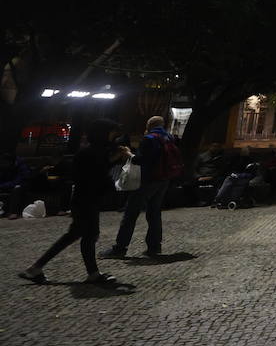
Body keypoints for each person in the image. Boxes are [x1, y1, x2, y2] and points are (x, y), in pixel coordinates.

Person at [20, 119, 130, 286]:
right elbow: (97, 174)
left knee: (80, 235)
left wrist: (114, 159)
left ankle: (37, 268)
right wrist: (112, 175)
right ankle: (90, 273)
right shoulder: (93, 152)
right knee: (87, 235)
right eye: (112, 132)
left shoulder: (91, 151)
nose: (114, 136)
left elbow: (97, 169)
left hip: (83, 199)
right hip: (87, 199)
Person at [102, 116, 176, 258]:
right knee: (154, 213)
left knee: (131, 213)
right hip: (164, 179)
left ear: (149, 125)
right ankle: (154, 247)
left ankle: (120, 248)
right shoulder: (169, 137)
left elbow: (140, 160)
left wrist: (128, 153)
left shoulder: (149, 139)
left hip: (148, 180)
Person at [0, 151, 36, 219]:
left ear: (10, 161)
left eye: (5, 162)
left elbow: (19, 180)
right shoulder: (3, 166)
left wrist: (3, 185)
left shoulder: (21, 165)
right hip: (8, 184)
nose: (3, 164)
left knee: (17, 189)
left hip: (22, 185)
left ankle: (14, 212)